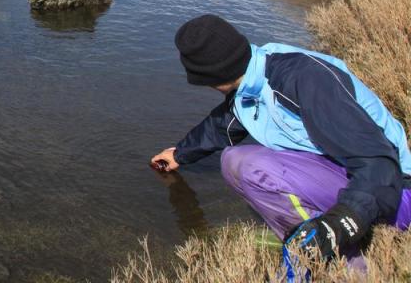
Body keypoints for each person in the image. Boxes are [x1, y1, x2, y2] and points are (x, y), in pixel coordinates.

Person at [151, 14, 411, 265]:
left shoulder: (305, 79)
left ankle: (336, 257)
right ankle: (304, 234)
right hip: (359, 181)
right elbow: (224, 124)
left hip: (394, 193)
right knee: (234, 159)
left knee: (249, 166)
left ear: (209, 77)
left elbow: (379, 162)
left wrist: (343, 221)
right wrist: (179, 154)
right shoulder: (255, 74)